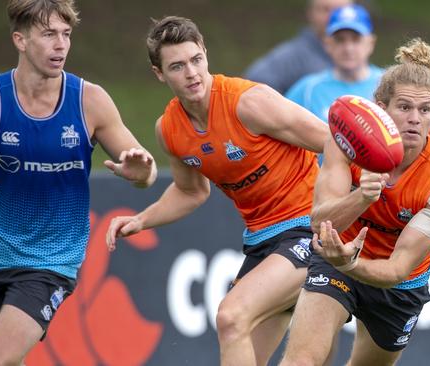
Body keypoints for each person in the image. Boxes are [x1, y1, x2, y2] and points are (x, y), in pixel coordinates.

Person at [105, 16, 329, 366]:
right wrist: (141, 219)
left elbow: (333, 142)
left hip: (310, 228)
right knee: (246, 354)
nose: (192, 73)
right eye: (177, 66)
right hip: (263, 242)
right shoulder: (170, 130)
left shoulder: (249, 102)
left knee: (230, 316)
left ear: (206, 53)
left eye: (196, 60)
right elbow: (191, 191)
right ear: (160, 74)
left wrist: (357, 201)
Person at [0, 0, 157, 364]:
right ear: (20, 40)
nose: (60, 44)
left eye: (66, 34)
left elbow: (144, 167)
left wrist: (142, 173)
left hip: (48, 263)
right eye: (49, 35)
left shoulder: (89, 101)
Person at [280, 37, 430, 365]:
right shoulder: (344, 139)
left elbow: (397, 268)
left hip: (398, 285)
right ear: (381, 107)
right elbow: (319, 221)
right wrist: (362, 197)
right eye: (404, 107)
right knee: (301, 361)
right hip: (337, 257)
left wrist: (350, 262)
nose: (414, 118)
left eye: (425, 110)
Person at [287, 4, 430, 153]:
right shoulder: (308, 89)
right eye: (340, 40)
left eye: (356, 39)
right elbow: (280, 127)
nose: (348, 48)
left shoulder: (393, 83)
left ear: (370, 43)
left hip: (380, 187)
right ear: (327, 44)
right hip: (324, 187)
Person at [243, 0, 352, 94]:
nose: (332, 17)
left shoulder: (361, 63)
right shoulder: (290, 58)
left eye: (339, 10)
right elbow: (250, 89)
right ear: (310, 13)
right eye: (325, 9)